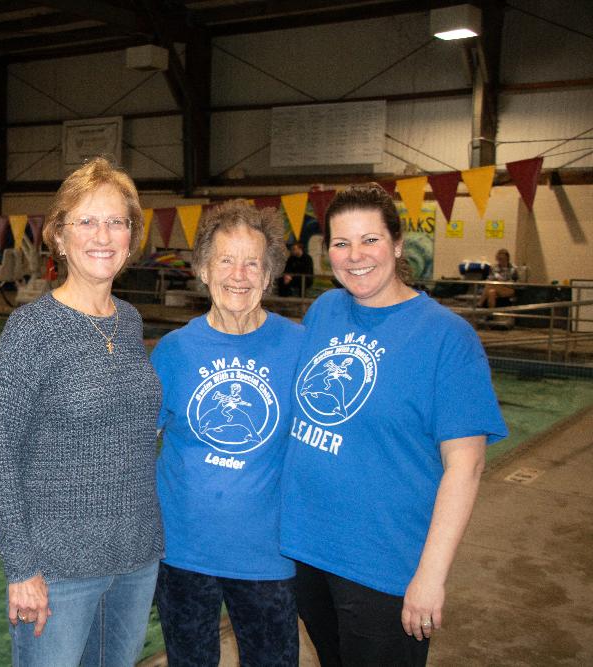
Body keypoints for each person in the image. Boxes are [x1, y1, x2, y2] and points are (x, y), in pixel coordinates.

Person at [280, 183, 508, 666]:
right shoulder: (325, 310)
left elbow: (465, 467)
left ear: (398, 244)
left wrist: (431, 575)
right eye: (341, 243)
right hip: (306, 548)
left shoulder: (447, 338)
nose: (355, 256)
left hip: (382, 563)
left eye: (370, 240)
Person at [0, 156, 163, 666]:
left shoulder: (129, 320)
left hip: (136, 558)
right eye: (86, 221)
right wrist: (21, 569)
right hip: (57, 571)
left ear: (131, 236)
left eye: (116, 222)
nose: (103, 235)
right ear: (59, 237)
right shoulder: (30, 330)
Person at [151, 199, 300, 666]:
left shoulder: (300, 347)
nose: (239, 275)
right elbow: (132, 448)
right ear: (202, 269)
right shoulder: (173, 351)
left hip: (268, 555)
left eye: (252, 263)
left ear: (269, 274)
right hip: (182, 553)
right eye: (225, 261)